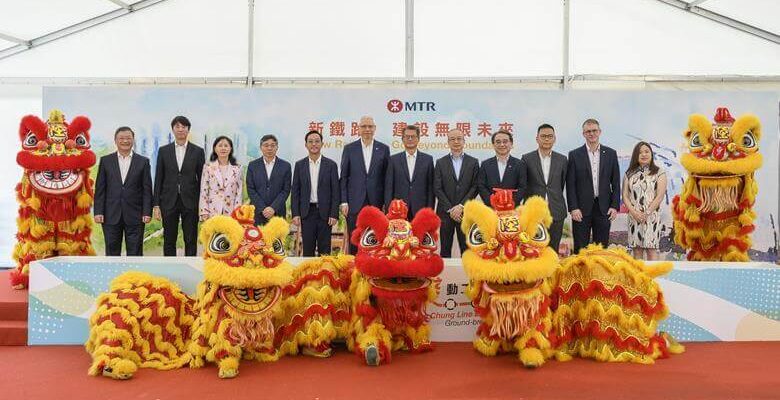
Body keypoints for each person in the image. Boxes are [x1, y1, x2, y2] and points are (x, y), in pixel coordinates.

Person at [94, 126, 152, 256]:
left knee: (135, 252)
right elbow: (100, 189)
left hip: (136, 215)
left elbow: (147, 189)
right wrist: (98, 211)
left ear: (133, 140)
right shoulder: (106, 161)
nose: (125, 141)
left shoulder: (143, 162)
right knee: (112, 251)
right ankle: (114, 276)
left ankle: (135, 276)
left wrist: (147, 212)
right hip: (110, 214)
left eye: (128, 138)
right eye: (121, 138)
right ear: (115, 140)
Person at [566, 118, 621, 254]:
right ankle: (580, 275)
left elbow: (615, 182)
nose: (591, 134)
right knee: (580, 249)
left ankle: (599, 275)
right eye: (588, 131)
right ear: (583, 134)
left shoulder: (610, 154)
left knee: (601, 249)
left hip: (604, 209)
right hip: (581, 210)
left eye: (594, 131)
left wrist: (614, 206)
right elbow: (570, 184)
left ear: (599, 132)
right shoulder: (574, 155)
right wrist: (573, 208)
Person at [153, 116, 205, 256]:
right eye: (177, 127)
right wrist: (156, 204)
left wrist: (202, 204)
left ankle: (190, 270)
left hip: (191, 201)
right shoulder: (164, 151)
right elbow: (159, 178)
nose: (180, 129)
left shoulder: (198, 151)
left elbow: (202, 179)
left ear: (188, 130)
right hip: (169, 200)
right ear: (173, 130)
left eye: (184, 127)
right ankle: (169, 271)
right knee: (169, 239)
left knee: (190, 239)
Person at [339, 116, 390, 254]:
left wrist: (386, 202)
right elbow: (343, 177)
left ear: (374, 129)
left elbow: (387, 179)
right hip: (354, 202)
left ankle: (373, 272)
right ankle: (354, 271)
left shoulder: (384, 149)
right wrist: (344, 201)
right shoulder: (349, 149)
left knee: (375, 239)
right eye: (364, 126)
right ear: (358, 129)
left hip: (376, 202)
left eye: (370, 126)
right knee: (355, 238)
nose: (367, 129)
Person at [519, 124, 568, 252]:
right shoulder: (526, 159)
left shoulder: (562, 160)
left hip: (556, 211)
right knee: (532, 250)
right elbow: (523, 184)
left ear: (554, 139)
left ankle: (551, 272)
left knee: (553, 249)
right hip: (533, 212)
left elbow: (561, 184)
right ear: (537, 138)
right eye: (543, 136)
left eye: (550, 136)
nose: (547, 139)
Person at [291, 130, 340, 256]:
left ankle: (324, 275)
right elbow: (295, 191)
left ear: (322, 144)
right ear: (306, 145)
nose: (314, 144)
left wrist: (334, 214)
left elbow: (336, 191)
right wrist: (295, 213)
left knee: (325, 251)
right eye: (310, 141)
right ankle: (310, 276)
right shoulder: (299, 165)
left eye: (317, 141)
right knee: (308, 249)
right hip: (307, 213)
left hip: (325, 214)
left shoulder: (331, 165)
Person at [434, 128, 480, 257]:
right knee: (445, 249)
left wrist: (460, 206)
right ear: (448, 142)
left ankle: (467, 277)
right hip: (445, 212)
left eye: (459, 138)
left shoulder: (473, 162)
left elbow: (475, 187)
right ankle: (445, 277)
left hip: (465, 212)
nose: (456, 142)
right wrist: (451, 208)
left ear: (464, 141)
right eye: (452, 139)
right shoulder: (440, 162)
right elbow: (437, 188)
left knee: (466, 249)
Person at [623, 141, 667, 260]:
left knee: (651, 250)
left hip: (651, 217)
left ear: (651, 154)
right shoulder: (629, 173)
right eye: (640, 152)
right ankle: (638, 278)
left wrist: (647, 213)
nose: (644, 154)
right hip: (634, 217)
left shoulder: (659, 172)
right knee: (637, 251)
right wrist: (634, 212)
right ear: (635, 156)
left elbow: (660, 196)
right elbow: (625, 196)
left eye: (646, 151)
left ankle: (652, 278)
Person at [384, 124, 435, 218]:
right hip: (398, 210)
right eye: (407, 137)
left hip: (421, 210)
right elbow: (389, 187)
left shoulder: (428, 160)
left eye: (413, 136)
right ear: (402, 139)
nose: (410, 139)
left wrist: (430, 210)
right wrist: (389, 209)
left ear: (418, 139)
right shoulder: (393, 160)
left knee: (419, 233)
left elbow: (430, 188)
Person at [246, 134, 292, 226]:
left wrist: (273, 208)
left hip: (277, 212)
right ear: (261, 147)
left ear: (277, 147)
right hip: (257, 212)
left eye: (272, 145)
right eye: (266, 145)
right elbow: (251, 189)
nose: (269, 148)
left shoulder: (286, 166)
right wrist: (263, 208)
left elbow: (285, 190)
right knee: (255, 239)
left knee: (276, 240)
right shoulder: (252, 165)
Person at [199, 136, 243, 221]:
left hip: (231, 212)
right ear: (215, 148)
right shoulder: (208, 167)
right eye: (220, 146)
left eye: (226, 146)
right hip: (212, 211)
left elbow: (239, 192)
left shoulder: (237, 168)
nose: (223, 148)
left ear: (230, 149)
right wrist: (204, 212)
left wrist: (237, 213)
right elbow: (204, 191)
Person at [478, 130, 523, 206]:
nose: (502, 144)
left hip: (513, 210)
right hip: (490, 210)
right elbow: (481, 186)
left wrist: (510, 203)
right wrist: (492, 202)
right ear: (493, 145)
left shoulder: (520, 164)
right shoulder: (485, 164)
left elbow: (522, 187)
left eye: (505, 141)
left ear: (511, 144)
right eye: (498, 142)